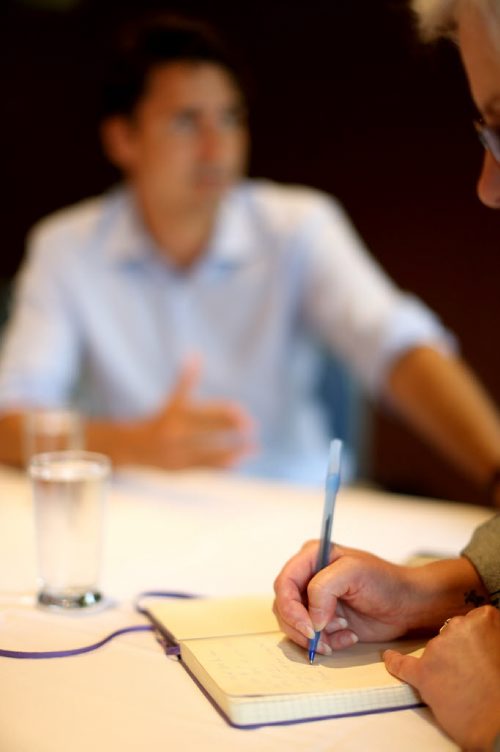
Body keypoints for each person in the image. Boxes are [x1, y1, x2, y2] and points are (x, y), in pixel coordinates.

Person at [1, 14, 500, 490]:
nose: (217, 146)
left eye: (231, 118)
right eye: (186, 122)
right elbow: (9, 422)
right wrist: (133, 444)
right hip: (145, 517)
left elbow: (398, 348)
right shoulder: (66, 248)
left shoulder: (296, 226)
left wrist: (496, 468)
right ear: (122, 138)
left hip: (292, 507)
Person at [274, 4, 500, 747]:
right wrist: (434, 588)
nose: (488, 187)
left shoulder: (291, 225)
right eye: (482, 131)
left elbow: (396, 346)